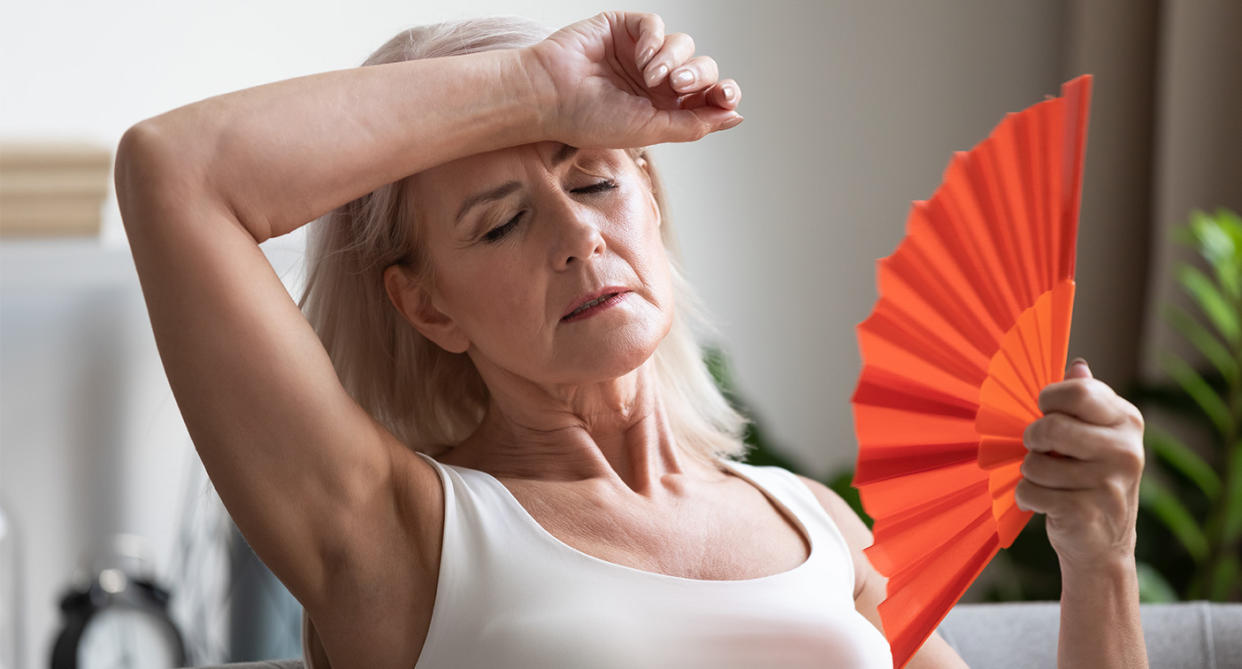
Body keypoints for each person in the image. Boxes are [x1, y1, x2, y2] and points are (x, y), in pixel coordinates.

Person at [114, 10, 1149, 669]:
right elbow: (176, 173)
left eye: (595, 178)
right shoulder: (401, 538)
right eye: (501, 221)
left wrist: (1099, 559)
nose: (577, 236)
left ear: (648, 204)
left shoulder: (816, 526)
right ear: (427, 307)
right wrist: (539, 92)